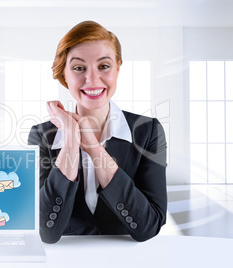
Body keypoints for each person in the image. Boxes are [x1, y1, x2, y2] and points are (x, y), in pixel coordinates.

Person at [28, 21, 167, 244]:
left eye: (103, 66)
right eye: (79, 68)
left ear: (118, 68)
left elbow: (149, 226)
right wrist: (71, 140)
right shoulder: (42, 136)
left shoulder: (148, 131)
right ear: (64, 74)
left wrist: (93, 147)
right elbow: (46, 232)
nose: (92, 79)